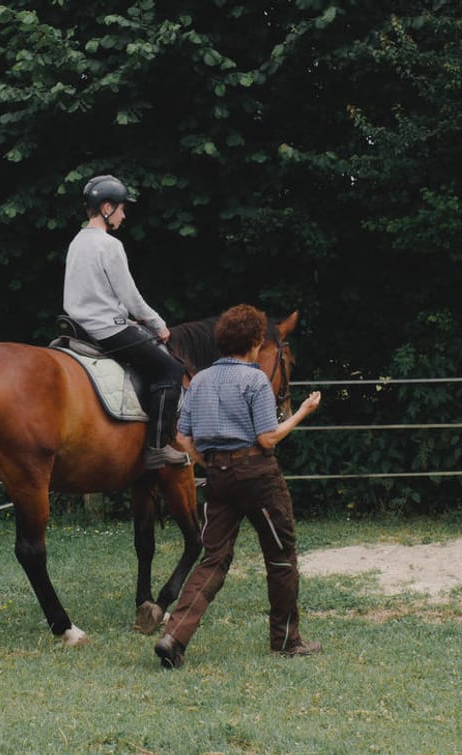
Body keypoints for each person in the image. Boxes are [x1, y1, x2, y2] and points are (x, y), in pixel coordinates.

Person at [154, 303, 323, 669]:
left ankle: (174, 636)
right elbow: (267, 438)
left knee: (213, 559)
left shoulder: (199, 380)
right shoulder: (254, 380)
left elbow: (182, 438)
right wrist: (303, 412)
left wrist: (209, 462)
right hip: (258, 477)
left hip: (219, 479)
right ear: (255, 341)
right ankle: (286, 640)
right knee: (280, 557)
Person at [63, 174, 188, 469]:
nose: (124, 213)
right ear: (107, 208)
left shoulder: (76, 242)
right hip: (107, 330)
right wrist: (158, 324)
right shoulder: (109, 245)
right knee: (171, 369)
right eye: (121, 207)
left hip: (77, 326)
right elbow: (131, 297)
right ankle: (157, 447)